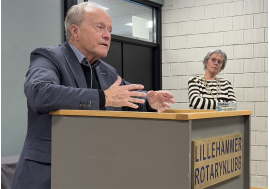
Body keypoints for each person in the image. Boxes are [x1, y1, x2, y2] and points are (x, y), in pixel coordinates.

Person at [11, 2, 175, 189]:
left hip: (91, 171)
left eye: (110, 30)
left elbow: (127, 95)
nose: (107, 35)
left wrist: (149, 101)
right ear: (75, 31)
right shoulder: (49, 57)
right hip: (49, 174)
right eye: (100, 28)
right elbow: (39, 93)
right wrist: (103, 98)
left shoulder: (107, 71)